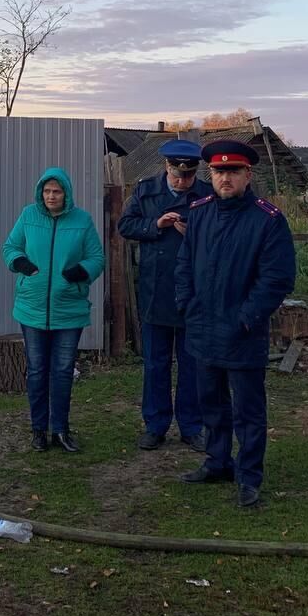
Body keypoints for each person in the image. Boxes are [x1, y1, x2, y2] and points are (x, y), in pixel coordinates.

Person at [175, 140, 295, 508]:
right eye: (218, 172)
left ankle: (249, 475)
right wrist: (187, 306)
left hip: (242, 334)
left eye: (233, 171)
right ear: (210, 175)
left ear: (248, 175)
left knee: (248, 411)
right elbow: (185, 265)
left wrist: (246, 319)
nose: (225, 178)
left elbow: (276, 279)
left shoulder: (267, 220)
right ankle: (217, 462)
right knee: (210, 404)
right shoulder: (199, 213)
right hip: (203, 330)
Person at [117, 139, 214, 453]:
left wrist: (196, 235)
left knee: (191, 365)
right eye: (176, 173)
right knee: (156, 365)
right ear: (167, 167)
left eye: (188, 175)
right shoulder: (145, 192)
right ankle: (155, 426)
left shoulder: (207, 195)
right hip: (155, 291)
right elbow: (125, 226)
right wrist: (155, 225)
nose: (182, 180)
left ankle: (192, 426)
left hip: (193, 293)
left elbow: (222, 233)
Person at [2, 167, 105, 453]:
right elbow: (10, 247)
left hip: (68, 309)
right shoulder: (28, 216)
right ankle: (38, 430)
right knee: (36, 371)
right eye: (47, 191)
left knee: (61, 370)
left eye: (56, 191)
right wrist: (21, 263)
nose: (51, 196)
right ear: (40, 192)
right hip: (32, 307)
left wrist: (79, 272)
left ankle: (60, 429)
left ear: (66, 193)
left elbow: (97, 257)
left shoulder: (82, 221)